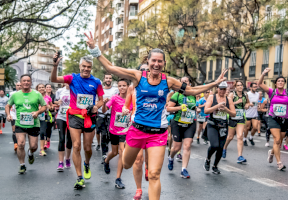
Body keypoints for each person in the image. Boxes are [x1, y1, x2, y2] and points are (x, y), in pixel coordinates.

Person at [84, 31, 228, 200]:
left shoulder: (169, 81)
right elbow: (110, 67)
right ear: (148, 61)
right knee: (128, 164)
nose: (156, 64)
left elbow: (191, 90)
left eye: (160, 61)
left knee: (154, 174)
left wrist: (215, 83)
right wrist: (95, 50)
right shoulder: (138, 76)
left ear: (164, 63)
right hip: (136, 130)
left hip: (158, 133)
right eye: (154, 61)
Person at [51, 54, 104, 189]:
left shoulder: (96, 82)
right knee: (76, 146)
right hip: (74, 116)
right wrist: (55, 65)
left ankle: (86, 163)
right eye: (84, 66)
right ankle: (79, 177)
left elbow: (101, 100)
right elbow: (54, 79)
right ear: (80, 66)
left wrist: (96, 107)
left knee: (87, 147)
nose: (86, 69)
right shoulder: (72, 78)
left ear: (91, 68)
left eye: (89, 67)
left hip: (89, 117)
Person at [258, 68, 288, 170]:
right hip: (273, 119)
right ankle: (279, 163)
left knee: (279, 142)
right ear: (276, 83)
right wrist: (263, 73)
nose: (280, 82)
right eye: (278, 81)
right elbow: (259, 84)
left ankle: (272, 153)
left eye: (282, 81)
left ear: (284, 83)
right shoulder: (271, 91)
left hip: (284, 120)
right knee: (276, 140)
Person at [5, 74, 47, 174]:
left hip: (33, 124)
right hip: (20, 123)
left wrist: (37, 112)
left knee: (34, 146)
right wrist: (8, 115)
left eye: (28, 81)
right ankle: (22, 165)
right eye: (24, 81)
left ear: (31, 82)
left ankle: (30, 153)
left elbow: (44, 106)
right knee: (20, 144)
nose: (26, 82)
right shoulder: (15, 95)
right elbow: (8, 105)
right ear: (21, 82)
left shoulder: (37, 94)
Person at [123, 63, 150, 200]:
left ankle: (148, 168)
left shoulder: (157, 87)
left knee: (150, 161)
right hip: (136, 126)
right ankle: (139, 189)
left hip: (153, 128)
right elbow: (125, 106)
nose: (145, 72)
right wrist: (125, 110)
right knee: (138, 159)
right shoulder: (132, 88)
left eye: (147, 70)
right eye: (142, 70)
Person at [103, 78, 131, 189]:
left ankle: (118, 178)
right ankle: (106, 160)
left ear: (128, 86)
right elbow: (105, 110)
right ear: (117, 87)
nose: (122, 88)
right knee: (114, 152)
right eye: (120, 86)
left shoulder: (131, 100)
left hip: (125, 130)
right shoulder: (115, 98)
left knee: (121, 152)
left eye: (124, 85)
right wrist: (105, 104)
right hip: (113, 129)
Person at [167, 76, 197, 178]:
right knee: (176, 147)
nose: (184, 84)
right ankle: (171, 158)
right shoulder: (176, 94)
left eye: (186, 82)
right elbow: (168, 108)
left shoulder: (193, 94)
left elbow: (193, 106)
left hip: (190, 123)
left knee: (187, 145)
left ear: (190, 83)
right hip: (177, 123)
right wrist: (180, 107)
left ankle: (184, 169)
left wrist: (196, 109)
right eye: (182, 82)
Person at [203, 81, 236, 174]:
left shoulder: (229, 99)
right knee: (214, 145)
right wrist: (217, 106)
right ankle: (208, 159)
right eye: (220, 89)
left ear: (226, 90)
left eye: (224, 89)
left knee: (221, 148)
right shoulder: (211, 97)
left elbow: (234, 114)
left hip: (223, 126)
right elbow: (206, 110)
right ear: (217, 88)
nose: (222, 91)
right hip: (212, 124)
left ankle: (215, 166)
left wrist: (226, 109)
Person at [222, 80, 249, 163]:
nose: (240, 87)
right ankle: (224, 148)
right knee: (230, 137)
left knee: (240, 136)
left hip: (241, 117)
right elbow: (227, 104)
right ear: (235, 87)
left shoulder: (245, 94)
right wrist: (236, 102)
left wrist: (247, 105)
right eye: (238, 85)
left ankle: (240, 156)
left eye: (241, 85)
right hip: (232, 117)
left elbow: (248, 103)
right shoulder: (232, 94)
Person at [95, 73, 118, 159]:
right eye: (107, 78)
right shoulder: (100, 90)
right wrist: (103, 102)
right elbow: (96, 102)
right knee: (103, 134)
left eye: (110, 78)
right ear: (104, 80)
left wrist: (112, 104)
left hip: (111, 115)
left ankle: (108, 150)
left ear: (111, 80)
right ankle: (104, 154)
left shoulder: (115, 90)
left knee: (109, 135)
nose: (108, 80)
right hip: (101, 115)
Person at [55, 83, 72, 171]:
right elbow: (55, 101)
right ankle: (60, 162)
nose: (68, 83)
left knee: (69, 139)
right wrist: (58, 102)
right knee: (61, 138)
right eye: (66, 82)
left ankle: (67, 159)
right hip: (61, 117)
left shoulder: (75, 90)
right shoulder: (60, 91)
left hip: (71, 117)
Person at [36, 84, 53, 156]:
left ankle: (42, 150)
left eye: (43, 87)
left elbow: (52, 107)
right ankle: (32, 147)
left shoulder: (48, 97)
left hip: (44, 117)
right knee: (33, 133)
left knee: (42, 132)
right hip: (35, 117)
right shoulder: (34, 97)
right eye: (39, 87)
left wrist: (49, 107)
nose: (41, 89)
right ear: (37, 89)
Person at [9, 82, 21, 151]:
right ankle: (15, 144)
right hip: (13, 114)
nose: (19, 86)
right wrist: (8, 114)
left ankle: (20, 143)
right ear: (15, 86)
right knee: (14, 130)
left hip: (22, 115)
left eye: (20, 85)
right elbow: (9, 104)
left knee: (20, 130)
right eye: (17, 85)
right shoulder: (12, 94)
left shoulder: (25, 94)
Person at [44, 84, 56, 150]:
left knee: (49, 128)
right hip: (43, 114)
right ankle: (45, 142)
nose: (48, 88)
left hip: (51, 114)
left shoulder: (53, 96)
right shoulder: (42, 95)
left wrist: (50, 106)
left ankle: (48, 140)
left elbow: (53, 104)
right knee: (44, 128)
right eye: (47, 87)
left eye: (50, 87)